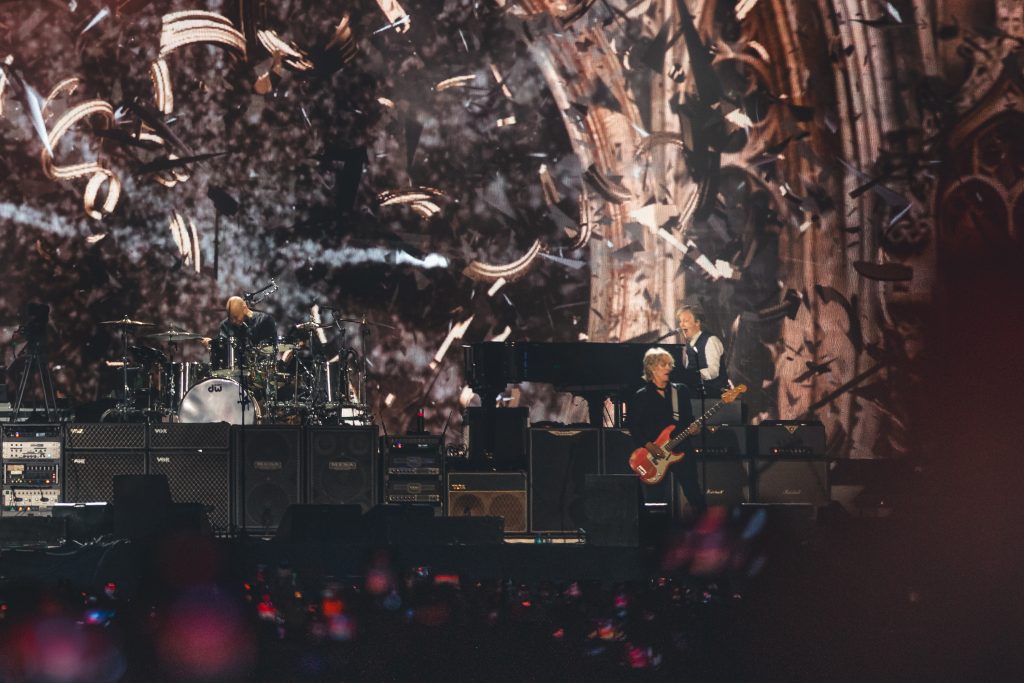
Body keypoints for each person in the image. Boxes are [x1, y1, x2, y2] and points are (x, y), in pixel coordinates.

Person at [626, 347, 706, 518]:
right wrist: (649, 445)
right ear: (652, 368)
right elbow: (633, 425)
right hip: (653, 456)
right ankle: (655, 538)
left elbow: (688, 419)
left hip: (682, 450)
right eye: (664, 365)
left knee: (695, 494)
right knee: (655, 501)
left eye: (670, 364)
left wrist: (694, 428)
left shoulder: (681, 391)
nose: (669, 368)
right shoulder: (641, 396)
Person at [676, 305, 729, 398]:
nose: (681, 324)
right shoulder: (690, 344)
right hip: (695, 395)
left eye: (685, 321)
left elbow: (713, 372)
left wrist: (691, 375)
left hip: (713, 397)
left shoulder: (711, 340)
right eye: (680, 321)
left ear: (697, 322)